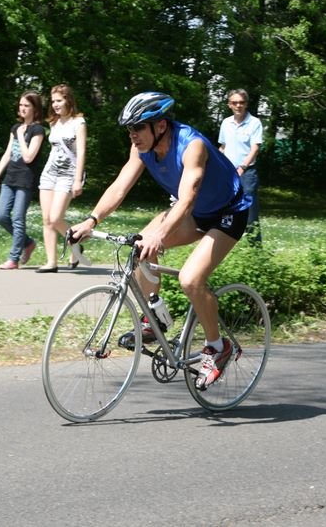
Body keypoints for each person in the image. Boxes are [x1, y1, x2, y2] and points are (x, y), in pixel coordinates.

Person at [69, 92, 252, 390]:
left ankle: (217, 348)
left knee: (191, 279)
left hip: (227, 214)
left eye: (138, 128)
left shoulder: (191, 146)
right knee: (139, 249)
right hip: (196, 214)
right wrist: (91, 221)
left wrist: (160, 235)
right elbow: (119, 187)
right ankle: (156, 319)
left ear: (161, 126)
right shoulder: (140, 148)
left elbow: (187, 199)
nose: (133, 135)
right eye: (130, 129)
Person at [0, 90, 45, 270]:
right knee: (2, 216)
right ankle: (27, 243)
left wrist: (22, 135)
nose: (22, 108)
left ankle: (13, 259)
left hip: (25, 180)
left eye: (26, 105)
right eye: (20, 105)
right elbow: (8, 153)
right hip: (10, 178)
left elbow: (29, 157)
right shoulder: (15, 128)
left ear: (35, 109)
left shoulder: (38, 130)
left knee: (18, 218)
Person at [37, 84, 89, 273]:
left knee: (55, 217)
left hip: (68, 175)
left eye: (59, 100)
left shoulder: (79, 122)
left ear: (68, 100)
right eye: (53, 101)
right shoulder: (53, 123)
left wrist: (77, 179)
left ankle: (77, 237)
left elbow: (81, 152)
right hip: (49, 173)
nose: (55, 105)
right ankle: (51, 262)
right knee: (46, 219)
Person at [218, 88, 264, 243]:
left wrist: (242, 168)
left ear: (246, 104)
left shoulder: (254, 123)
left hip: (247, 173)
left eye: (241, 102)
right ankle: (225, 245)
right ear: (229, 105)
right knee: (226, 212)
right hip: (228, 173)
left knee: (250, 213)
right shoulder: (226, 123)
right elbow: (223, 147)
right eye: (234, 102)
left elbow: (255, 148)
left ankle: (255, 250)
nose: (238, 105)